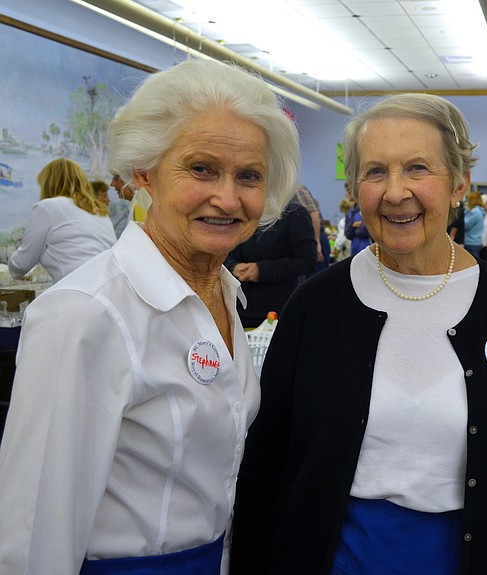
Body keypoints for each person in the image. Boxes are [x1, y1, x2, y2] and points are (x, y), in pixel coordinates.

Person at [0, 57, 300, 573]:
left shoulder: (224, 294)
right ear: (144, 171)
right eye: (201, 168)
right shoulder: (86, 314)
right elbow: (33, 532)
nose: (227, 198)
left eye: (248, 176)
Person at [230, 93, 487, 575]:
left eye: (418, 168)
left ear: (459, 182)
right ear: (356, 188)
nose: (396, 192)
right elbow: (265, 462)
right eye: (375, 172)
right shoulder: (314, 307)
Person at [6, 158, 116, 282]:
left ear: (48, 184)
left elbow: (21, 265)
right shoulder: (100, 212)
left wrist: (12, 258)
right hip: (109, 289)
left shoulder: (47, 207)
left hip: (77, 290)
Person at [225, 200, 317, 328]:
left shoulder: (293, 213)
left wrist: (262, 270)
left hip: (276, 309)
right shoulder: (235, 210)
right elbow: (221, 253)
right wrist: (233, 266)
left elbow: (307, 260)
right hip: (235, 308)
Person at [294, 184, 331, 272]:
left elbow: (313, 214)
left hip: (313, 238)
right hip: (304, 239)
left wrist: (316, 242)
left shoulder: (297, 190)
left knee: (317, 281)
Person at [463, 190, 487, 256]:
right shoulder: (480, 210)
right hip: (477, 241)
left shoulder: (475, 212)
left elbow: (466, 225)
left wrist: (465, 213)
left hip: (471, 242)